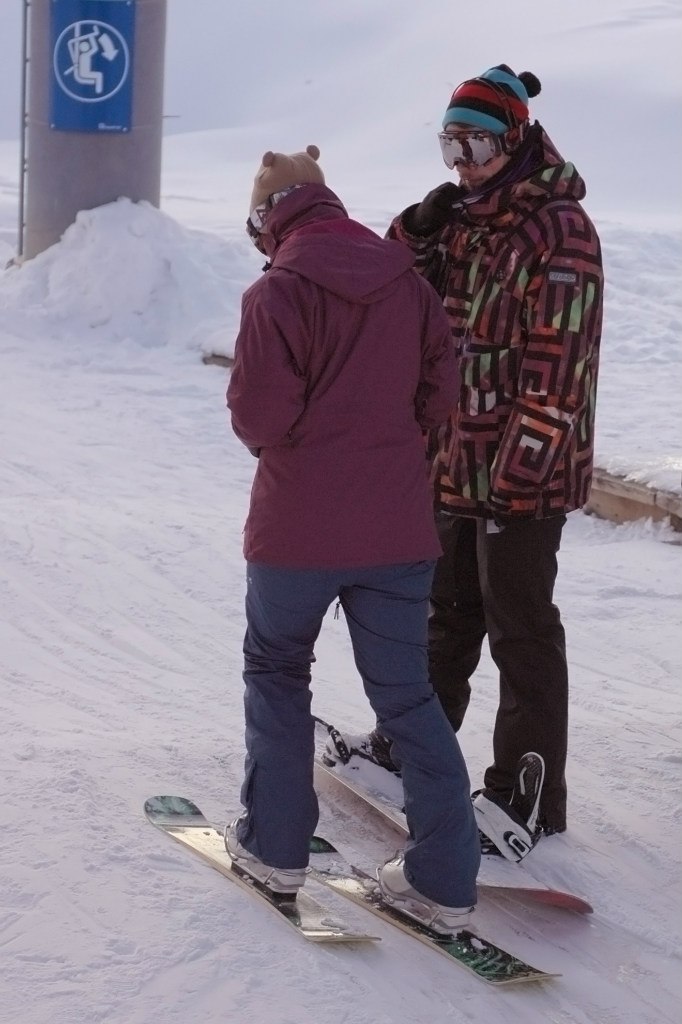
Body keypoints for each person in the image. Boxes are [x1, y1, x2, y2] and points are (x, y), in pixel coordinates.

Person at [336, 65, 603, 838]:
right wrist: (414, 234)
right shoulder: (460, 218)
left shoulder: (560, 231)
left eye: (477, 141)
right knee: (444, 618)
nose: (461, 161)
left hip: (526, 475)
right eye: (450, 142)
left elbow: (563, 368)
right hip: (453, 461)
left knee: (520, 629)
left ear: (513, 139)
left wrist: (516, 478)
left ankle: (527, 800)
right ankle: (407, 749)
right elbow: (393, 299)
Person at [225, 145, 481, 932]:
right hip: (399, 531)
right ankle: (441, 880)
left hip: (297, 530)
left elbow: (259, 417)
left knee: (276, 670)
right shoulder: (407, 282)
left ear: (272, 217)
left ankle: (276, 846)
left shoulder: (278, 292)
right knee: (407, 697)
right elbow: (441, 397)